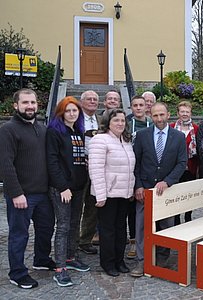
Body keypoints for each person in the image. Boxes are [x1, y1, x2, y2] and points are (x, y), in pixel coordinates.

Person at [0, 88, 55, 289]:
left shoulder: (42, 129)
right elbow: (5, 164)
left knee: (46, 229)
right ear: (16, 106)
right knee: (19, 234)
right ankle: (17, 273)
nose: (30, 106)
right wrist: (16, 193)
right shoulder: (8, 130)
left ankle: (41, 259)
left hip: (42, 193)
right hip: (21, 195)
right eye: (25, 103)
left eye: (32, 102)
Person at [131, 102, 187, 277]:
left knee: (166, 226)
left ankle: (162, 259)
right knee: (141, 226)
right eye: (155, 115)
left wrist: (168, 181)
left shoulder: (178, 136)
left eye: (162, 115)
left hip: (166, 191)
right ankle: (142, 261)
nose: (159, 119)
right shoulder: (142, 135)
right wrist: (138, 185)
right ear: (150, 116)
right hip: (145, 190)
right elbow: (136, 162)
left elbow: (182, 163)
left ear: (168, 115)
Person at [46, 96, 90, 287]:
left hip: (79, 186)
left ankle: (71, 258)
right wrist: (63, 187)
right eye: (68, 110)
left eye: (75, 110)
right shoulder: (55, 132)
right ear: (61, 112)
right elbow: (52, 161)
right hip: (62, 188)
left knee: (74, 224)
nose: (72, 113)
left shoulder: (78, 131)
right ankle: (60, 268)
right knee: (63, 226)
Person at [89, 108, 136, 277]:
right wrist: (100, 195)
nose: (120, 123)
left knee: (121, 229)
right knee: (107, 230)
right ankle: (108, 263)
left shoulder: (126, 140)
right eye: (116, 120)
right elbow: (95, 169)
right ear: (108, 122)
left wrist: (130, 190)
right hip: (107, 194)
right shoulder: (100, 140)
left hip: (123, 193)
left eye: (123, 120)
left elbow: (129, 169)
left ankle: (119, 260)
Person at [126, 95, 152, 259]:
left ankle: (150, 240)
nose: (138, 108)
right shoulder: (127, 124)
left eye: (141, 105)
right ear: (132, 107)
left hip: (148, 169)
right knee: (133, 210)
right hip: (131, 170)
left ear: (146, 107)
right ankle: (134, 242)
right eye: (135, 105)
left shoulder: (152, 123)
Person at [78, 90, 101, 255]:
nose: (92, 101)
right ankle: (71, 242)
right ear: (81, 102)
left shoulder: (101, 120)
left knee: (93, 206)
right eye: (89, 99)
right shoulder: (75, 118)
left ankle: (85, 240)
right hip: (79, 166)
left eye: (95, 99)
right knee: (76, 206)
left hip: (97, 167)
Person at [170, 101, 199, 224]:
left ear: (190, 113)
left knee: (188, 195)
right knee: (175, 195)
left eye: (187, 111)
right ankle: (176, 220)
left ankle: (188, 217)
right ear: (178, 113)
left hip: (191, 167)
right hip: (174, 167)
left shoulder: (196, 129)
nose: (185, 114)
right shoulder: (171, 127)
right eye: (182, 111)